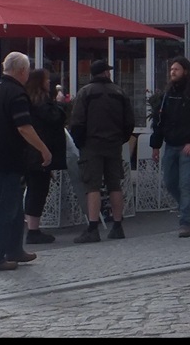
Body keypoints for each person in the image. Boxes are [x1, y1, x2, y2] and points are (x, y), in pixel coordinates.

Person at [0, 52, 53, 272]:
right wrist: (44, 149)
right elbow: (23, 127)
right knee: (5, 208)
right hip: (7, 158)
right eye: (28, 70)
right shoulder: (16, 94)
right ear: (22, 71)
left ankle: (14, 249)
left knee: (15, 207)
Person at [69, 59, 136, 244]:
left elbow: (77, 122)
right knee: (115, 184)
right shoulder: (119, 92)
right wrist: (120, 138)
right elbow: (130, 121)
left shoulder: (85, 93)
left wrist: (80, 142)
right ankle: (117, 225)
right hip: (114, 144)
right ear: (105, 73)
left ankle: (93, 228)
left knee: (93, 186)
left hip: (91, 145)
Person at [149, 57, 190, 238]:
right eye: (171, 69)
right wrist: (156, 145)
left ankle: (185, 222)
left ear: (185, 71)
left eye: (176, 69)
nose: (172, 72)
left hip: (188, 146)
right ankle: (189, 207)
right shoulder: (167, 94)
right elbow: (160, 120)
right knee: (170, 182)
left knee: (186, 184)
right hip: (171, 145)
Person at [22, 67, 68, 245]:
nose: (49, 82)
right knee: (38, 190)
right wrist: (59, 103)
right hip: (39, 154)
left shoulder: (29, 101)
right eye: (46, 80)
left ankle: (32, 227)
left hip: (31, 153)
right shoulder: (42, 103)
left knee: (36, 188)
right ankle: (33, 230)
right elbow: (55, 119)